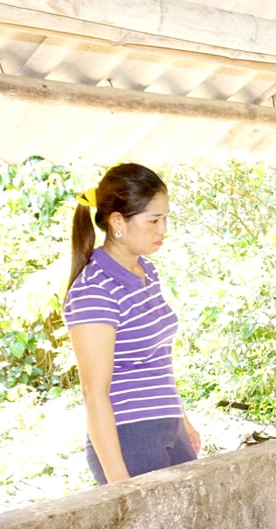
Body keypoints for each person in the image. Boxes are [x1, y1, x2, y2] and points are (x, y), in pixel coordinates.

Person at [63, 163, 200, 485]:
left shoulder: (147, 274)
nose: (163, 229)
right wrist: (119, 482)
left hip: (169, 429)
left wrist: (183, 421)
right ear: (117, 223)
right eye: (153, 220)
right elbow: (93, 393)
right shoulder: (94, 290)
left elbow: (158, 362)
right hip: (130, 438)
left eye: (165, 218)